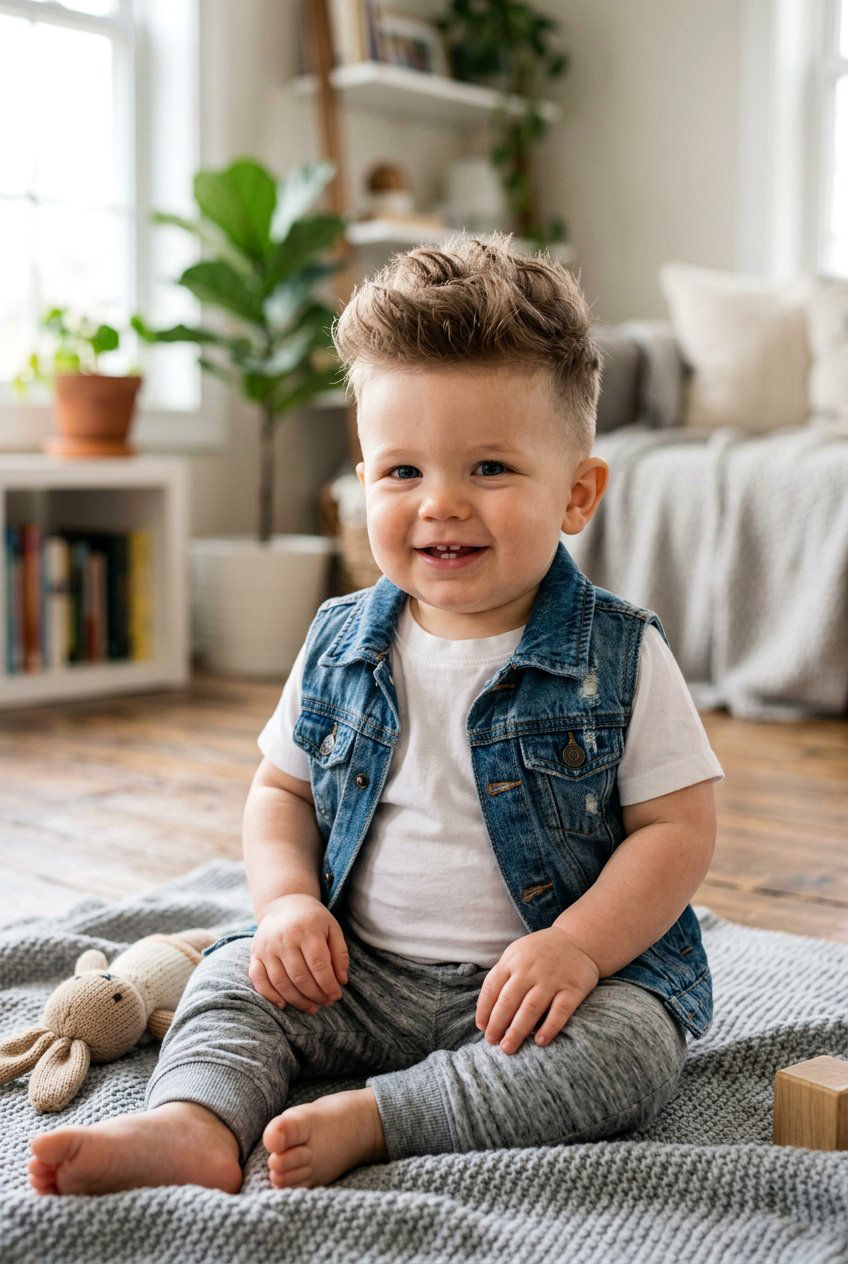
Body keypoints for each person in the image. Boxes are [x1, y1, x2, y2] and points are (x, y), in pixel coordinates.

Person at [28, 230, 723, 1197]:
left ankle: (388, 1118)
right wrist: (287, 908)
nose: (440, 504)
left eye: (488, 469)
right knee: (229, 979)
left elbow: (678, 829)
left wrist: (578, 947)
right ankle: (191, 1122)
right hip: (357, 972)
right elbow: (281, 793)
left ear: (577, 494)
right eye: (402, 472)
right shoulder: (341, 638)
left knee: (633, 1051)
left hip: (547, 992)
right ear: (363, 484)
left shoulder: (619, 653)